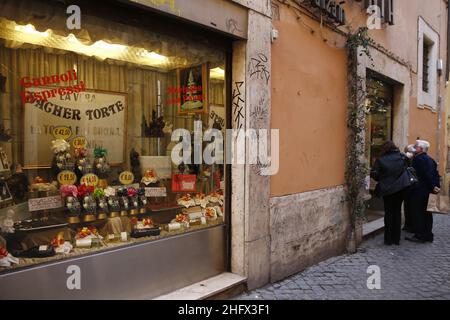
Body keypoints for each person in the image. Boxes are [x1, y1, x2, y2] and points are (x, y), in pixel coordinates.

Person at [371, 141, 410, 246]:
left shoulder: (381, 159)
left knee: (388, 213)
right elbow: (407, 169)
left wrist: (383, 178)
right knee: (397, 212)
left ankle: (388, 239)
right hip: (401, 188)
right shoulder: (403, 157)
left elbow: (375, 175)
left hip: (387, 189)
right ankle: (396, 239)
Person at [406, 140, 440, 243]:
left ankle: (420, 235)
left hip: (419, 191)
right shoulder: (431, 160)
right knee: (427, 214)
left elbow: (426, 174)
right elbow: (435, 174)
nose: (414, 148)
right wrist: (435, 186)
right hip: (429, 191)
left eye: (416, 147)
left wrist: (432, 185)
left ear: (420, 149)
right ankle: (428, 235)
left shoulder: (418, 159)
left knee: (418, 213)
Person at [402, 144, 416, 233]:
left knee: (409, 207)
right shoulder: (407, 159)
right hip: (410, 185)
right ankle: (408, 225)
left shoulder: (410, 159)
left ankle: (409, 225)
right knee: (408, 207)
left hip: (410, 185)